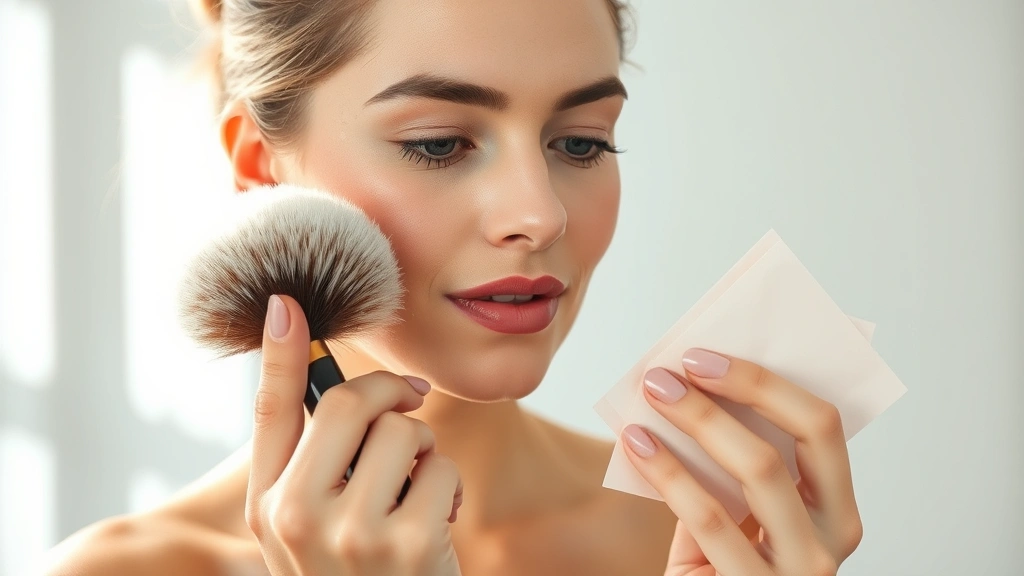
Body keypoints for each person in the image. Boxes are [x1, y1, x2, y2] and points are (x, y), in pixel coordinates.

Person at [43, 0, 863, 574]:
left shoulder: (716, 539)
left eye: (580, 144)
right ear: (261, 169)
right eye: (438, 144)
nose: (537, 216)